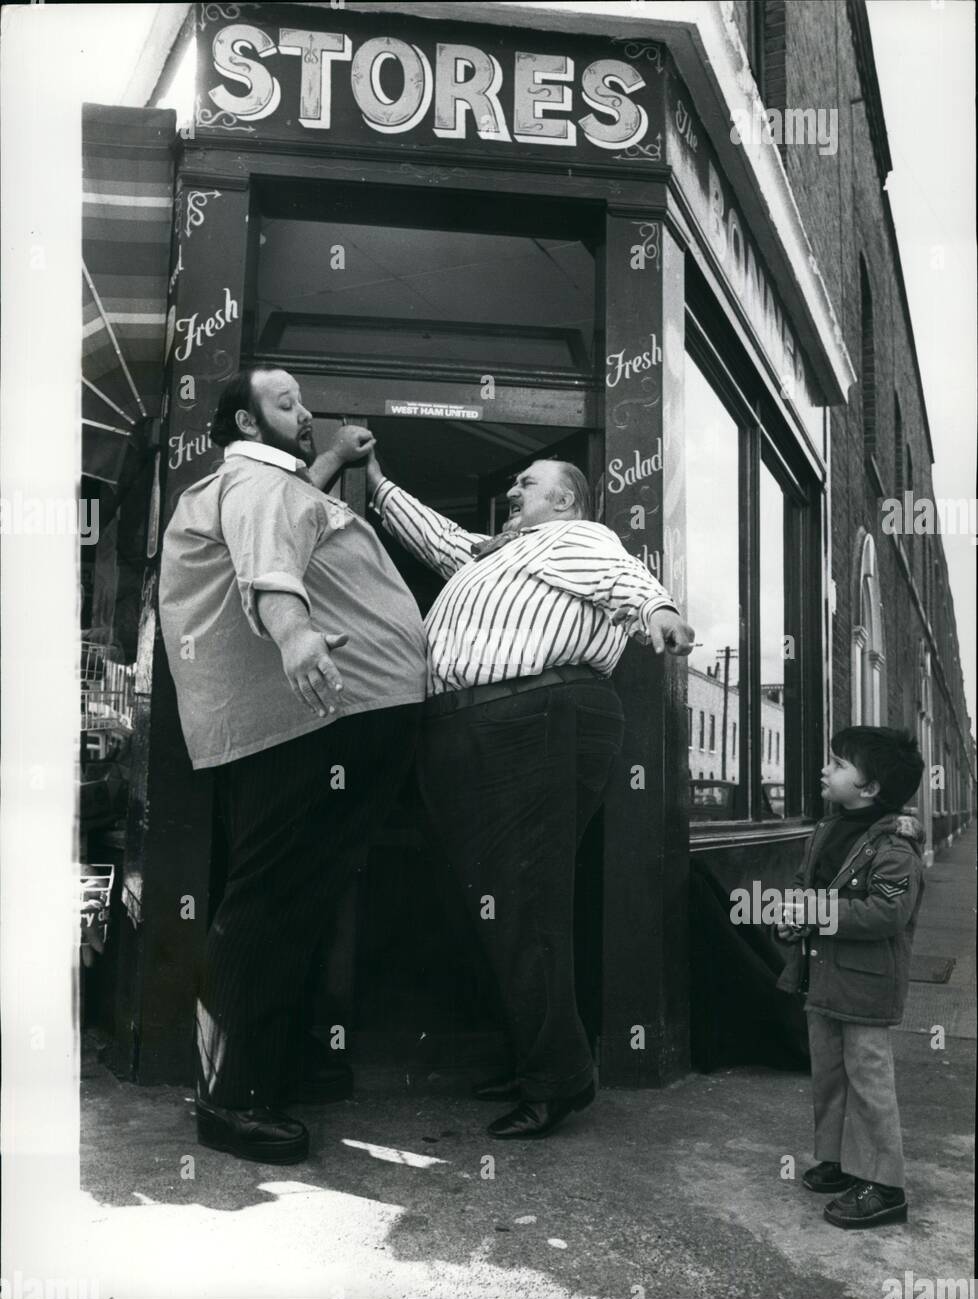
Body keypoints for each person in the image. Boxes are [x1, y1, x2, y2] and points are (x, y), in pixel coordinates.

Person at [361, 450, 695, 1139]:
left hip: (534, 717)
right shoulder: (496, 552)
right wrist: (373, 481)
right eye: (512, 479)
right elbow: (437, 536)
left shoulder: (573, 537)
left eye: (529, 482)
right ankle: (533, 1059)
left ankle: (558, 1079)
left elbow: (620, 575)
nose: (513, 487)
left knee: (521, 901)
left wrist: (659, 610)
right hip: (475, 722)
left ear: (565, 502)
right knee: (487, 905)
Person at [159, 365, 427, 1164]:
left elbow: (288, 518)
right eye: (285, 403)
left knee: (297, 903)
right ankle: (231, 1099)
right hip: (304, 728)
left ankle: (271, 1065)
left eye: (303, 402)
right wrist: (297, 634)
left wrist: (335, 459)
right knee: (269, 904)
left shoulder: (274, 481)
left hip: (325, 727)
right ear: (245, 424)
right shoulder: (252, 483)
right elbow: (269, 564)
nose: (303, 413)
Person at [776, 726, 926, 1228]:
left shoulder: (896, 845)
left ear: (871, 788)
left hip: (865, 985)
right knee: (830, 1076)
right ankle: (842, 1162)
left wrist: (815, 912)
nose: (826, 768)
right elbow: (804, 886)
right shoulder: (826, 829)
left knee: (868, 1081)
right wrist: (791, 915)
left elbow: (887, 913)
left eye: (838, 763)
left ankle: (885, 1186)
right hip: (820, 979)